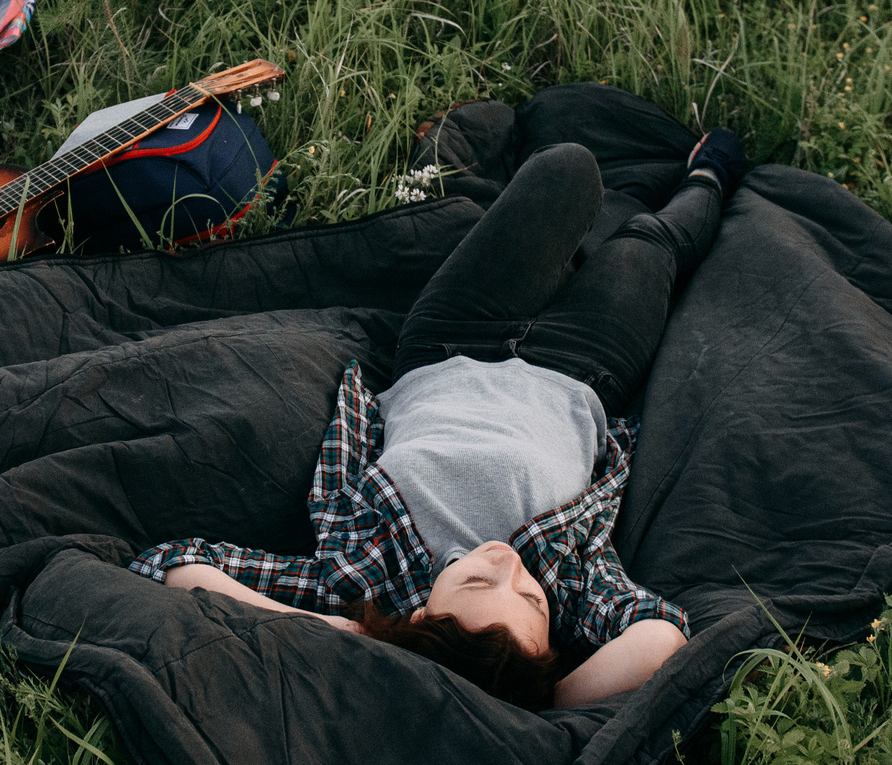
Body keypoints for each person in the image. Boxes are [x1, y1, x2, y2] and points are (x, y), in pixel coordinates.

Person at [132, 129, 750, 708]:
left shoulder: (362, 574)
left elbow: (176, 563)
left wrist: (349, 631)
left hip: (451, 341)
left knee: (567, 170)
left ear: (423, 617)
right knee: (648, 242)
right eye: (529, 599)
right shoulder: (572, 582)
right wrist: (543, 696)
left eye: (480, 583)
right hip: (584, 368)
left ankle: (570, 254)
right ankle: (710, 177)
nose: (510, 567)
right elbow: (662, 637)